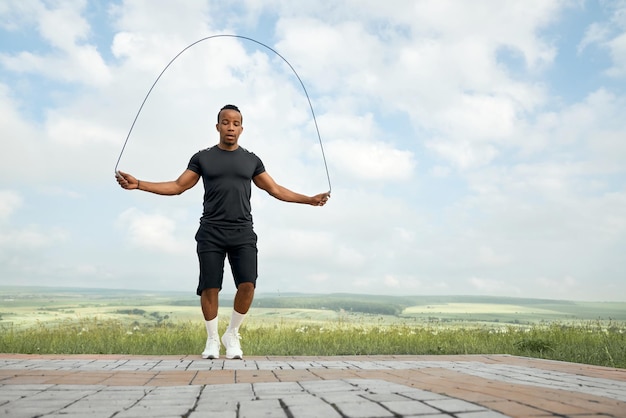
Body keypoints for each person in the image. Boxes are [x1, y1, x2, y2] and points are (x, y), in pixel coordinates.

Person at [115, 104, 330, 359]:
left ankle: (232, 333)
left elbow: (275, 189)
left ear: (241, 128)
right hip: (210, 231)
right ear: (217, 126)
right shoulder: (202, 158)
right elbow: (177, 186)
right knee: (210, 286)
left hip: (242, 231)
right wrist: (139, 184)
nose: (230, 127)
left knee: (248, 284)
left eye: (236, 123)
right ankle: (212, 340)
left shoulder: (251, 160)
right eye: (225, 122)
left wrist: (309, 199)